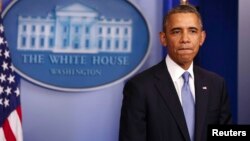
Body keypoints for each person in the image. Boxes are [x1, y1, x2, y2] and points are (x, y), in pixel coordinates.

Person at [119, 3, 232, 141]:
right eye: (176, 31)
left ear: (202, 38)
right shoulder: (139, 86)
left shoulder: (216, 84)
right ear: (163, 38)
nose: (185, 39)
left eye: (192, 31)